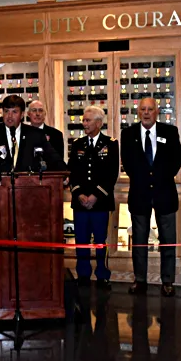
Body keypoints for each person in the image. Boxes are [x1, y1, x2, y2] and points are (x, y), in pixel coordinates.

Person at [0, 95, 66, 275]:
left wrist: (64, 173)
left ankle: (27, 276)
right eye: (6, 112)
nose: (9, 116)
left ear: (22, 114)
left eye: (14, 112)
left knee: (26, 243)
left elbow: (53, 157)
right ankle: (4, 279)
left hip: (28, 200)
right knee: (2, 244)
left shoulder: (35, 134)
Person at [120, 97, 181, 297]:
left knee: (168, 240)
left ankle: (168, 281)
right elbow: (128, 164)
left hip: (164, 192)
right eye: (142, 109)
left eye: (150, 109)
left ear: (157, 111)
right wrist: (146, 179)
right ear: (138, 112)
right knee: (138, 241)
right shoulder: (128, 134)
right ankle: (140, 280)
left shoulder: (169, 132)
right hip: (140, 193)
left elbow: (176, 161)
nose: (146, 113)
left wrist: (157, 178)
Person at [67, 106, 118, 290]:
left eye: (88, 120)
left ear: (99, 123)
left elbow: (112, 174)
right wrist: (79, 194)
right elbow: (72, 172)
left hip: (100, 203)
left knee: (100, 241)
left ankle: (102, 274)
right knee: (81, 240)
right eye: (84, 120)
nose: (84, 123)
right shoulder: (78, 143)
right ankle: (83, 274)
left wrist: (95, 196)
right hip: (80, 203)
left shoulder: (111, 144)